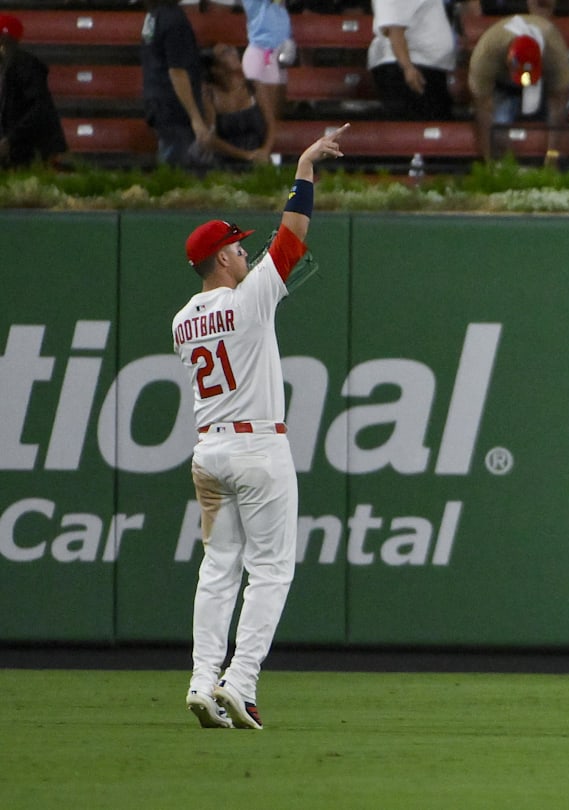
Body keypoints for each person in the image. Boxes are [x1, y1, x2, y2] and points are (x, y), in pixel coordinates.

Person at [175, 123, 350, 730]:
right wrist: (304, 168)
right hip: (256, 447)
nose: (246, 252)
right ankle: (240, 682)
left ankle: (201, 682)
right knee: (272, 569)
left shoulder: (181, 321)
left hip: (209, 455)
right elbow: (293, 237)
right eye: (239, 247)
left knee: (218, 569)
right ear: (222, 258)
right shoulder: (246, 297)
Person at [466, 0, 569, 166]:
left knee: (560, 127)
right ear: (509, 60)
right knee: (498, 129)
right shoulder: (487, 51)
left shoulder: (554, 48)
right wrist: (488, 161)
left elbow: (558, 101)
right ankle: (504, 165)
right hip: (502, 86)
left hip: (541, 84)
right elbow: (483, 108)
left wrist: (552, 155)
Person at [141, 0, 209, 168]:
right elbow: (177, 72)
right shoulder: (175, 19)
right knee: (180, 174)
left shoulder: (152, 15)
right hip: (174, 109)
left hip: (157, 101)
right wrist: (196, 118)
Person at [368, 0, 457, 121]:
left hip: (425, 66)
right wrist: (407, 68)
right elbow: (394, 29)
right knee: (416, 126)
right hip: (408, 68)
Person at [0, 14, 67, 168]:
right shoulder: (8, 66)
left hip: (32, 150)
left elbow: (39, 109)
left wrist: (10, 140)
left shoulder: (25, 65)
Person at [199, 44, 272, 166]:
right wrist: (246, 156)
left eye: (232, 49)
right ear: (215, 69)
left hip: (258, 157)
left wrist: (265, 151)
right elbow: (210, 138)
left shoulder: (254, 86)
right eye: (225, 53)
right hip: (226, 161)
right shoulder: (209, 94)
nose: (233, 52)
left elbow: (271, 123)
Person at [240, 0, 292, 142]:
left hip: (279, 54)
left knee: (276, 114)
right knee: (261, 115)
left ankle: (270, 153)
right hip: (259, 53)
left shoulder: (279, 6)